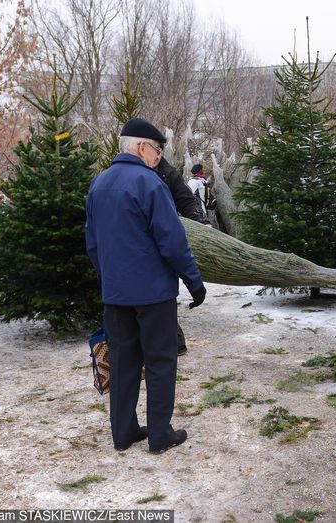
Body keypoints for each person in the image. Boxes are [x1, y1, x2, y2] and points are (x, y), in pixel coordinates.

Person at [85, 117, 207, 453]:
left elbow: (93, 244)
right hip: (153, 294)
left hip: (116, 295)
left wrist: (108, 279)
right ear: (141, 147)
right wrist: (193, 281)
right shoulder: (150, 184)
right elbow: (172, 241)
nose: (158, 159)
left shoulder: (99, 185)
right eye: (156, 152)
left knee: (123, 361)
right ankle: (159, 434)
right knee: (160, 360)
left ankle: (123, 433)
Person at [156, 157, 209, 357]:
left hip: (162, 242)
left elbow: (186, 201)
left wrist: (199, 229)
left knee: (160, 297)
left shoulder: (167, 173)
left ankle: (175, 343)